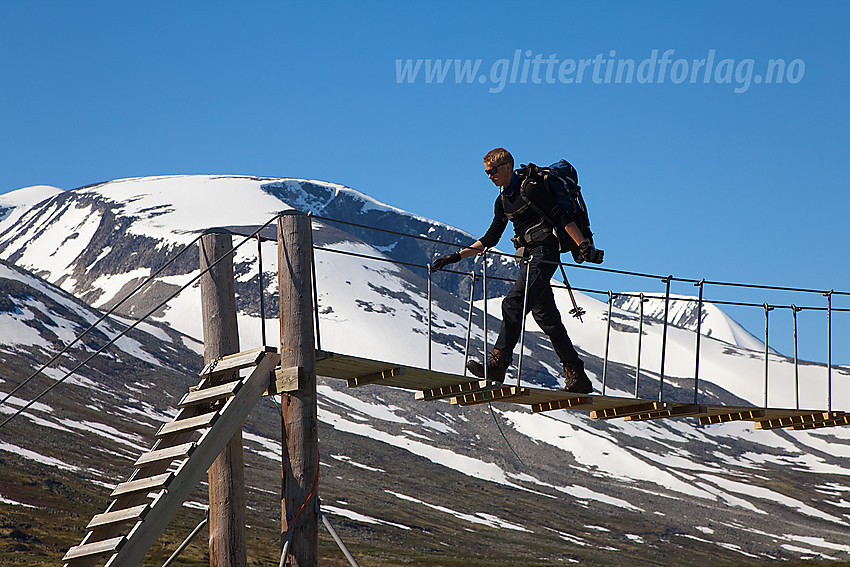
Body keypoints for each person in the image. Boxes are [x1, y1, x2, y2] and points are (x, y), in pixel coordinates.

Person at [430, 148, 599, 393]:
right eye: (486, 173)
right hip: (528, 258)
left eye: (493, 171)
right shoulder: (502, 201)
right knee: (547, 319)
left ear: (508, 166)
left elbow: (560, 216)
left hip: (545, 254)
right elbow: (491, 237)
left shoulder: (530, 188)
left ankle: (498, 364)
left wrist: (583, 245)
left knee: (512, 304)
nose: (489, 176)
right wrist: (455, 256)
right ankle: (577, 375)